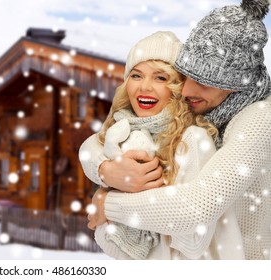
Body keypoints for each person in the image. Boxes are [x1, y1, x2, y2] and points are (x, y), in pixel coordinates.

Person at [83, 0, 271, 260]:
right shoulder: (207, 107)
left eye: (204, 83)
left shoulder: (260, 121)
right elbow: (94, 142)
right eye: (185, 77)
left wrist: (107, 204)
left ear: (235, 85)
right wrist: (105, 170)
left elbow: (196, 208)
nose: (186, 91)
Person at [80, 30, 225, 260]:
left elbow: (194, 241)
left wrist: (109, 202)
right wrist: (105, 171)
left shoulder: (193, 140)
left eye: (160, 78)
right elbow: (89, 147)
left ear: (178, 87)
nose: (144, 87)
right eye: (136, 75)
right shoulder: (123, 131)